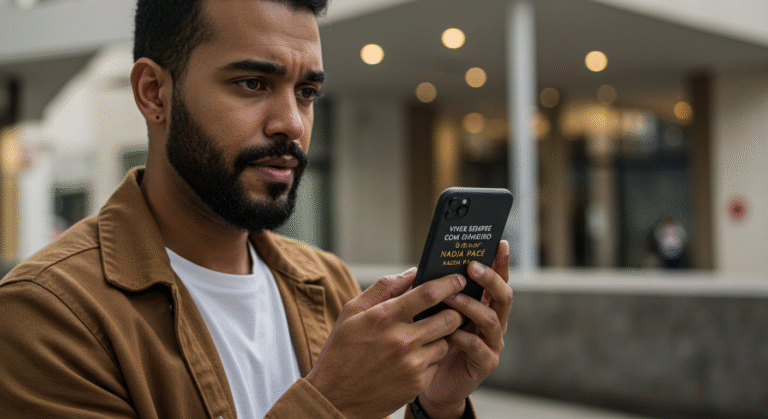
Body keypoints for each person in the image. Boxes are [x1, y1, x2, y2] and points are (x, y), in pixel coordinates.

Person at [0, 0, 513, 418]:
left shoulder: (327, 282)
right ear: (153, 93)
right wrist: (331, 405)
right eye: (252, 83)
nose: (291, 123)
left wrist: (437, 405)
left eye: (307, 92)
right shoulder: (46, 316)